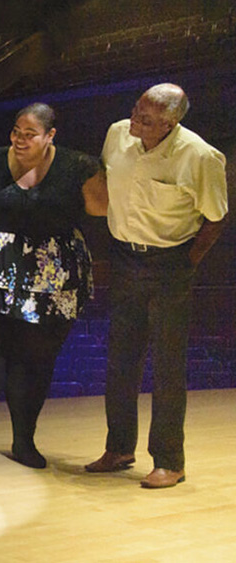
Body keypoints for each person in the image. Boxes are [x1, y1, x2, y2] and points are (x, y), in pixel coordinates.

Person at [0, 103, 106, 469]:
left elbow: (104, 207)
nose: (19, 139)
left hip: (50, 282)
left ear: (51, 135)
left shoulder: (77, 166)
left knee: (33, 363)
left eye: (29, 134)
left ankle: (24, 441)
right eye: (16, 131)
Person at [85, 84, 228, 488]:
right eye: (135, 110)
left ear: (171, 122)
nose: (134, 120)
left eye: (145, 119)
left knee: (166, 366)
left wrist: (186, 263)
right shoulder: (118, 134)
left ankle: (169, 460)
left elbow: (216, 218)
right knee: (120, 361)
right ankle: (119, 448)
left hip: (171, 263)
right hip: (125, 257)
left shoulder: (199, 156)